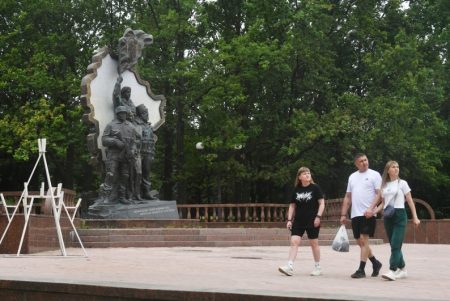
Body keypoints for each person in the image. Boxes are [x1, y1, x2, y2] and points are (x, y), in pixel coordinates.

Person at [365, 161, 420, 281]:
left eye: (397, 167)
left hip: (400, 215)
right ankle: (403, 269)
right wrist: (373, 212)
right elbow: (383, 204)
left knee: (395, 244)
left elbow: (410, 201)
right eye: (393, 167)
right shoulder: (384, 185)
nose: (396, 169)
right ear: (388, 170)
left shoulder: (402, 183)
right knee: (394, 245)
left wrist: (415, 217)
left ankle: (392, 270)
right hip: (388, 216)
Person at [340, 153, 383, 278]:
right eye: (361, 161)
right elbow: (348, 196)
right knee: (360, 242)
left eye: (366, 160)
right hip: (355, 214)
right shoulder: (352, 176)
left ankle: (361, 270)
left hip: (368, 214)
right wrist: (343, 214)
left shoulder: (374, 175)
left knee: (364, 240)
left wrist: (371, 209)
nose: (364, 162)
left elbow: (379, 194)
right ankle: (375, 263)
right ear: (356, 164)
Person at [278, 167, 325, 277]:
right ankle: (289, 266)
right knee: (294, 242)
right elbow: (292, 205)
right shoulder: (296, 189)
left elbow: (322, 203)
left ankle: (317, 267)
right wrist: (289, 220)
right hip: (298, 221)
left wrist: (318, 216)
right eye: (304, 173)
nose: (307, 175)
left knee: (314, 244)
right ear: (299, 177)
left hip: (312, 220)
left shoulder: (315, 188)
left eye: (308, 173)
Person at [101, 106, 139, 204]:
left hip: (127, 154)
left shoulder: (131, 126)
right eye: (121, 113)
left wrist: (133, 149)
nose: (124, 115)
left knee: (125, 175)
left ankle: (122, 196)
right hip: (114, 153)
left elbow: (134, 142)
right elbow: (104, 140)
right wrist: (115, 141)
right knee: (110, 174)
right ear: (117, 114)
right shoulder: (111, 125)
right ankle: (106, 197)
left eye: (125, 113)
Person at [135, 104, 157, 200]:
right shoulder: (135, 124)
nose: (146, 115)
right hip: (138, 152)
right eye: (144, 113)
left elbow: (152, 140)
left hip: (148, 152)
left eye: (147, 113)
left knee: (147, 173)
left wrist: (153, 152)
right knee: (137, 173)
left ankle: (147, 192)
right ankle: (136, 194)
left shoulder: (149, 126)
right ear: (139, 114)